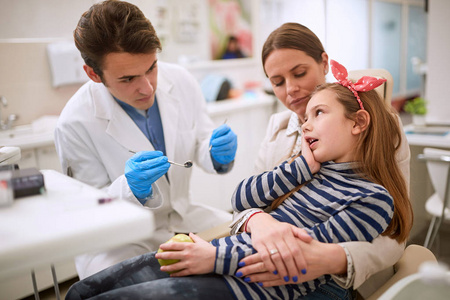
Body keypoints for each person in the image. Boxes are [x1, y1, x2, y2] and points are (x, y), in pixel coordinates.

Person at [65, 60, 412, 299]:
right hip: (224, 257)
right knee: (81, 291)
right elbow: (242, 198)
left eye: (317, 113)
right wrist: (301, 167)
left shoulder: (373, 197)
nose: (305, 123)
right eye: (276, 81)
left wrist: (213, 258)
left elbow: (298, 255)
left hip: (248, 283)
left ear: (358, 122)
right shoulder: (305, 167)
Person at [54, 0, 237, 279]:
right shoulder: (74, 123)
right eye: (128, 79)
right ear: (93, 74)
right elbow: (86, 214)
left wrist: (214, 153)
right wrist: (129, 189)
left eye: (151, 67)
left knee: (248, 244)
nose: (147, 87)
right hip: (120, 241)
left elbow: (200, 139)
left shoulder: (181, 80)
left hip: (184, 218)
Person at [229, 22, 412, 296]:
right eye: (277, 82)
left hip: (336, 279)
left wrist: (329, 258)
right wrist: (257, 220)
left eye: (300, 73)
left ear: (324, 62)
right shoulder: (276, 129)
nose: (290, 89)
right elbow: (245, 202)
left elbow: (396, 231)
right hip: (266, 261)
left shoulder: (382, 127)